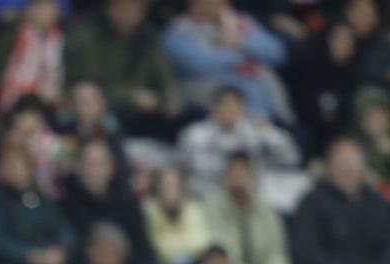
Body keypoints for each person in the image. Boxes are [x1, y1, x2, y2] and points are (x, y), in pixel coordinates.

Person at [162, 0, 291, 124]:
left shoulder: (241, 23)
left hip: (257, 90)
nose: (212, 7)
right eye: (205, 3)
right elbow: (194, 63)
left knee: (257, 87)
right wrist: (233, 51)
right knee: (238, 90)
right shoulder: (179, 30)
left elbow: (277, 54)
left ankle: (265, 128)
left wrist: (241, 42)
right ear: (193, 5)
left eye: (218, 2)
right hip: (205, 89)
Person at [65, 0, 179, 134]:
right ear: (112, 10)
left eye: (135, 10)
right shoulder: (89, 38)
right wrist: (131, 95)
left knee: (190, 113)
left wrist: (171, 100)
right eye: (124, 9)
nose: (130, 15)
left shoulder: (148, 39)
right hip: (108, 102)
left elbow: (166, 78)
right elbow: (91, 83)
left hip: (147, 108)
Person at [201, 153, 292, 264]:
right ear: (225, 178)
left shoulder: (266, 209)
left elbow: (277, 254)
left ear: (253, 177)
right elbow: (222, 257)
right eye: (233, 175)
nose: (238, 180)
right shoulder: (212, 207)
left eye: (243, 174)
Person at [175, 85, 299, 198]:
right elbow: (184, 168)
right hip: (205, 195)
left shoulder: (253, 132)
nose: (230, 111)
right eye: (225, 105)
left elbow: (291, 157)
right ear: (214, 107)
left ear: (242, 109)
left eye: (235, 106)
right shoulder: (194, 134)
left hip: (246, 197)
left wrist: (268, 131)